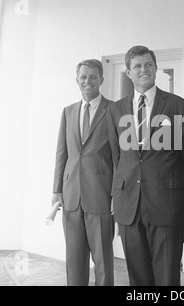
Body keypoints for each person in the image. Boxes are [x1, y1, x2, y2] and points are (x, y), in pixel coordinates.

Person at [107, 45, 184, 286]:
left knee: (167, 275)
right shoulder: (115, 110)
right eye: (137, 66)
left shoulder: (177, 105)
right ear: (128, 72)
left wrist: (167, 179)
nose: (143, 70)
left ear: (155, 67)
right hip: (129, 205)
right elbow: (118, 156)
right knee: (138, 275)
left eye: (148, 64)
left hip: (166, 202)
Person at [52, 59, 115, 286]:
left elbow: (118, 157)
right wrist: (57, 190)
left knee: (103, 263)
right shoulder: (68, 112)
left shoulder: (114, 110)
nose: (88, 81)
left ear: (101, 80)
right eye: (83, 77)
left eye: (93, 77)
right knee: (74, 261)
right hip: (71, 197)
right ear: (77, 80)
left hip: (101, 196)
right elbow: (62, 154)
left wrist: (117, 193)